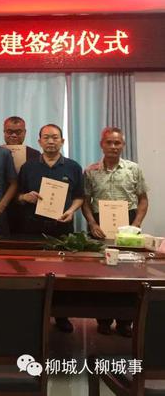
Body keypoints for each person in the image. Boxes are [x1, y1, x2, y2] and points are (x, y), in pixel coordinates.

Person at [17, 123, 84, 333]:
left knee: (62, 274)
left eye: (55, 137)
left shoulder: (73, 167)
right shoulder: (28, 167)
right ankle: (32, 314)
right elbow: (17, 196)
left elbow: (79, 197)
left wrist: (71, 211)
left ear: (62, 141)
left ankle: (61, 316)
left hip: (62, 229)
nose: (51, 141)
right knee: (32, 273)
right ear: (39, 141)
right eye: (46, 137)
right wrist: (25, 197)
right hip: (32, 228)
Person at [83, 126, 149, 337]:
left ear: (123, 145)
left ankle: (125, 322)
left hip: (128, 224)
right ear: (101, 145)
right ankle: (103, 320)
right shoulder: (90, 171)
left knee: (128, 274)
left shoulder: (133, 169)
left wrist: (135, 225)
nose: (113, 146)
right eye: (109, 142)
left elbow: (143, 200)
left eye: (117, 143)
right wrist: (92, 224)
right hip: (100, 225)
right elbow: (85, 201)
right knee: (101, 274)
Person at [4, 116, 42, 235]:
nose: (14, 135)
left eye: (18, 132)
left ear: (25, 132)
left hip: (26, 210)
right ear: (4, 132)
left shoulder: (35, 155)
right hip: (1, 208)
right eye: (9, 132)